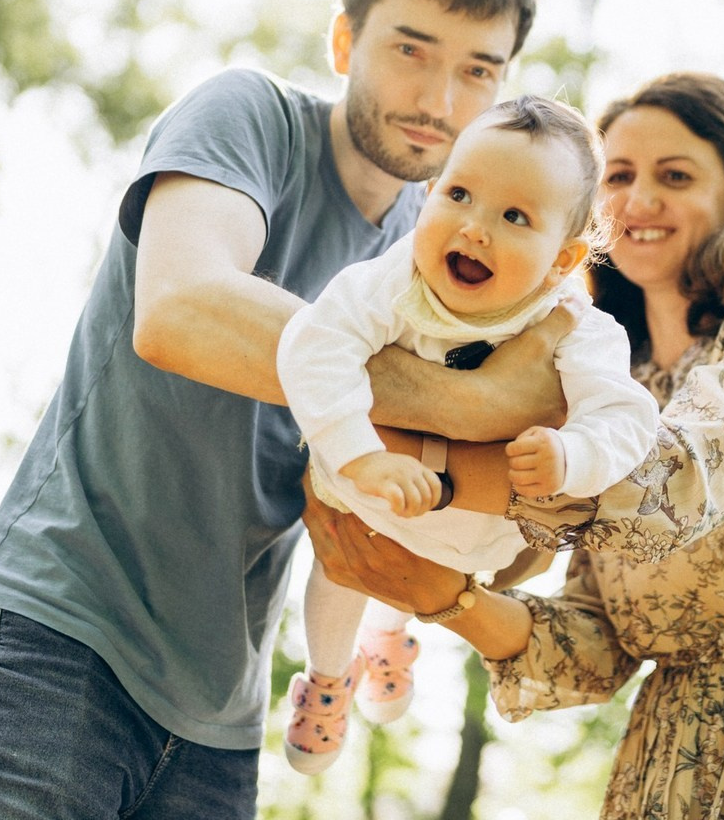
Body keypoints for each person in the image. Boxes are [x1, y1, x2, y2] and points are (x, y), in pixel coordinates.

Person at [0, 0, 551, 820]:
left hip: (221, 717)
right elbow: (180, 309)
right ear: (345, 40)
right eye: (411, 50)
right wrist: (461, 399)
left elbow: (496, 483)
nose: (440, 100)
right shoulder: (250, 118)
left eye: (477, 70)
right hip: (59, 638)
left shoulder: (444, 249)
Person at [303, 71, 724, 819]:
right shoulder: (612, 385)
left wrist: (426, 465)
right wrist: (446, 598)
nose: (638, 201)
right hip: (672, 764)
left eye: (674, 176)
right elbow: (594, 643)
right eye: (617, 177)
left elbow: (675, 482)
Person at [276, 95, 659, 774]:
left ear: (563, 258)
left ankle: (389, 636)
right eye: (458, 194)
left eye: (515, 216)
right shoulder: (394, 281)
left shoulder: (577, 324)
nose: (475, 227)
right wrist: (359, 455)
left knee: (409, 579)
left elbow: (628, 418)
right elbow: (315, 344)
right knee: (342, 566)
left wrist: (573, 454)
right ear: (427, 196)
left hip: (468, 527)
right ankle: (328, 680)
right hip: (364, 487)